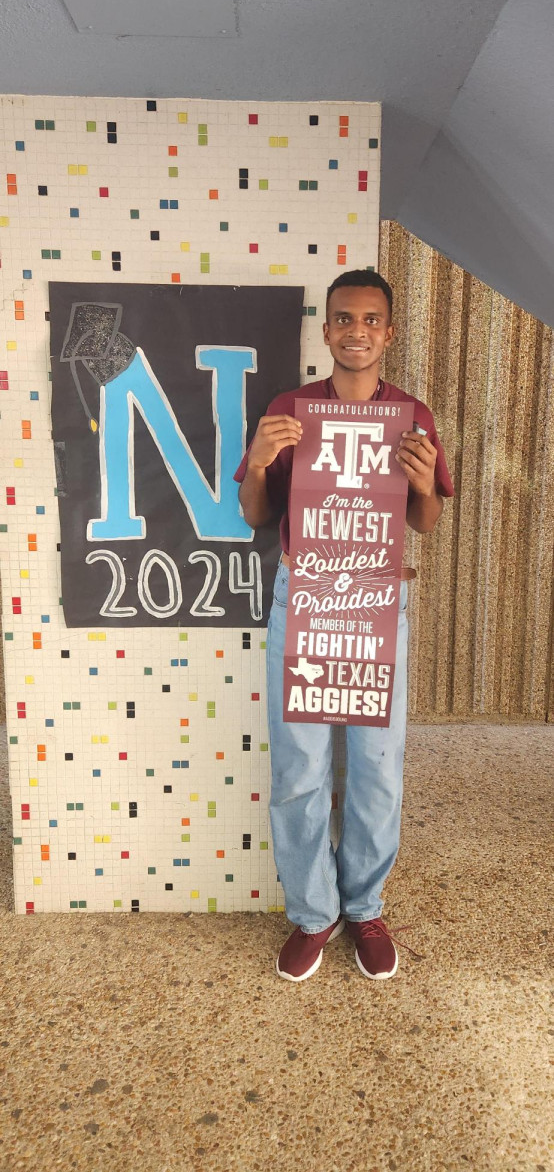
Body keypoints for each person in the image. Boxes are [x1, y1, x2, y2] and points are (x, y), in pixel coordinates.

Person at [234, 269, 454, 983]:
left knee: (376, 767)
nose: (356, 330)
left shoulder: (412, 414)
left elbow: (425, 521)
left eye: (370, 319)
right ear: (325, 331)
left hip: (373, 600)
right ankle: (312, 913)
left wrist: (422, 485)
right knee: (298, 764)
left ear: (387, 332)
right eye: (342, 319)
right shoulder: (290, 409)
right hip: (302, 594)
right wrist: (259, 465)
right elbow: (256, 517)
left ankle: (364, 906)